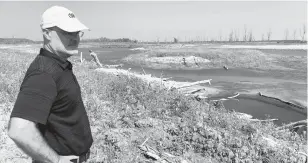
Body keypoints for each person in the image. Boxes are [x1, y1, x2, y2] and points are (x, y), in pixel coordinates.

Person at [8, 6, 93, 163]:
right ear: (47, 33)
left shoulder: (58, 65)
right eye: (68, 32)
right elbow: (19, 130)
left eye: (77, 32)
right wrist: (57, 160)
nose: (75, 38)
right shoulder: (44, 73)